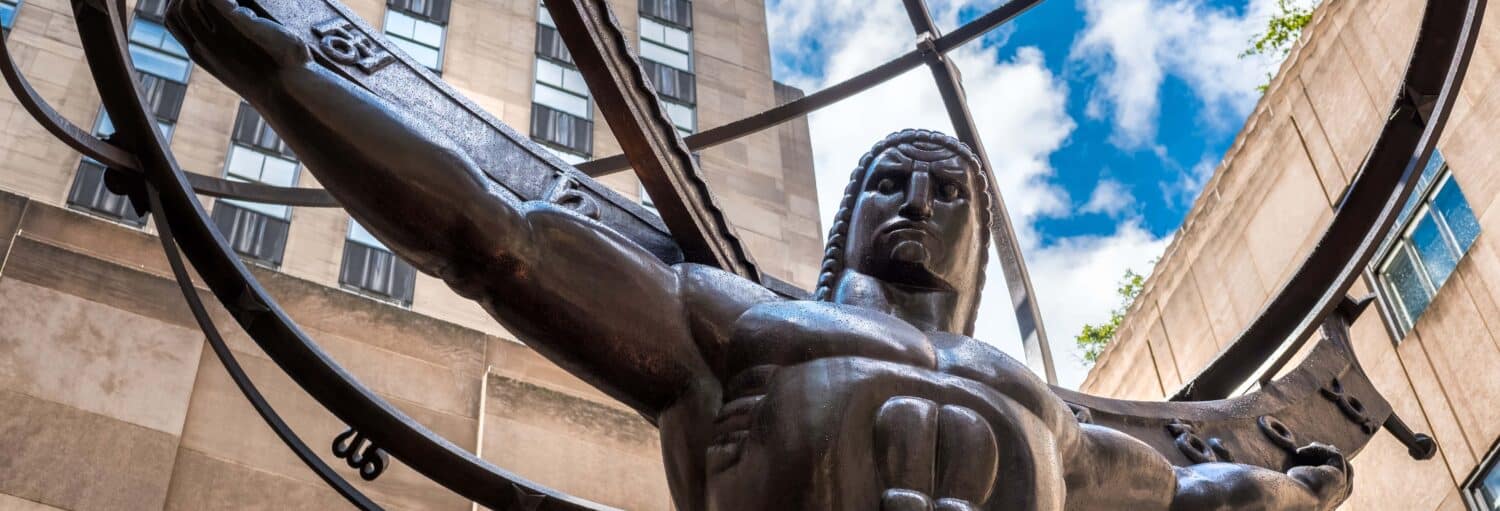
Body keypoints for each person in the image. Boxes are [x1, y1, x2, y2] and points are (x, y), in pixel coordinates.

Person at [164, 0, 1353, 508]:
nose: (919, 206)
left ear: (980, 241)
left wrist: (1298, 487)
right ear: (843, 224)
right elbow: (496, 235)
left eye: (950, 193)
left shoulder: (1039, 411)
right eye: (890, 182)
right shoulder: (739, 322)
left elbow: (1198, 497)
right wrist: (280, 73)